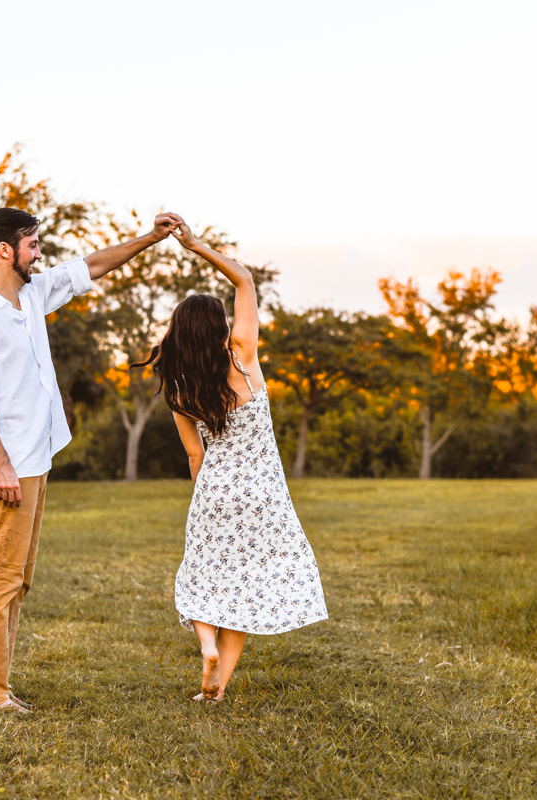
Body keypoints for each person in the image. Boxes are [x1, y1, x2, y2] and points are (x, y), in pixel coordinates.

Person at [0, 207, 179, 713]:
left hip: (34, 462)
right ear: (6, 250)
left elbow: (91, 266)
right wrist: (3, 466)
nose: (40, 253)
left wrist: (151, 237)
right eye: (32, 245)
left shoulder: (30, 294)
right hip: (6, 469)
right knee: (1, 578)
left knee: (19, 579)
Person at [133, 219, 328, 702]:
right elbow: (244, 278)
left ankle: (206, 647)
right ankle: (217, 688)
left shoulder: (179, 390)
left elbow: (195, 457)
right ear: (220, 328)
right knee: (245, 587)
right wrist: (195, 245)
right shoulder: (243, 355)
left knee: (201, 575)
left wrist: (202, 503)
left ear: (180, 333)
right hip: (263, 492)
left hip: (215, 489)